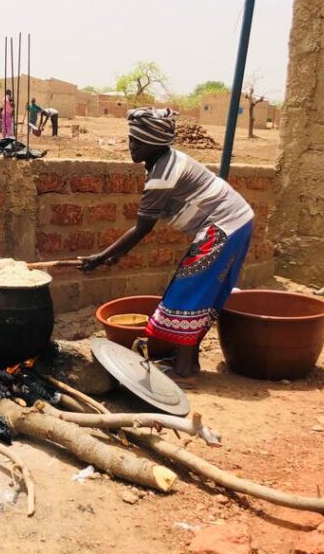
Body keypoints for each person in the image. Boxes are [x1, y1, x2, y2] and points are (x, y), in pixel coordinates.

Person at [79, 108, 253, 380]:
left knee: (187, 291)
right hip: (234, 222)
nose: (131, 146)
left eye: (138, 142)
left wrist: (100, 257)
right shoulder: (163, 162)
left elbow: (143, 227)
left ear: (156, 144)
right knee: (195, 290)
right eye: (130, 139)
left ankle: (184, 368)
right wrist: (117, 254)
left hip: (225, 226)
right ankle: (187, 361)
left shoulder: (163, 173)